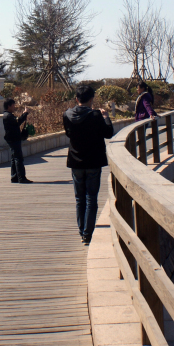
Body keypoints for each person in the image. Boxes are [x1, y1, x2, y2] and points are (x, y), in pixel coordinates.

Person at [63, 84, 115, 245]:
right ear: (91, 99)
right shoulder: (95, 115)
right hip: (93, 161)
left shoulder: (67, 114)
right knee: (91, 198)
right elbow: (108, 133)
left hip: (75, 161)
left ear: (76, 98)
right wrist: (106, 117)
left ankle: (81, 231)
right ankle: (87, 233)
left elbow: (68, 133)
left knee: (79, 199)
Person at [2, 98, 33, 184]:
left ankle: (14, 177)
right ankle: (21, 177)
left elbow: (17, 121)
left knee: (14, 158)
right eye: (13, 105)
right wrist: (25, 113)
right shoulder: (8, 116)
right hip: (13, 139)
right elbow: (18, 121)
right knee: (18, 158)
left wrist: (23, 114)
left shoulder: (8, 115)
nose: (14, 107)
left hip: (12, 138)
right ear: (9, 106)